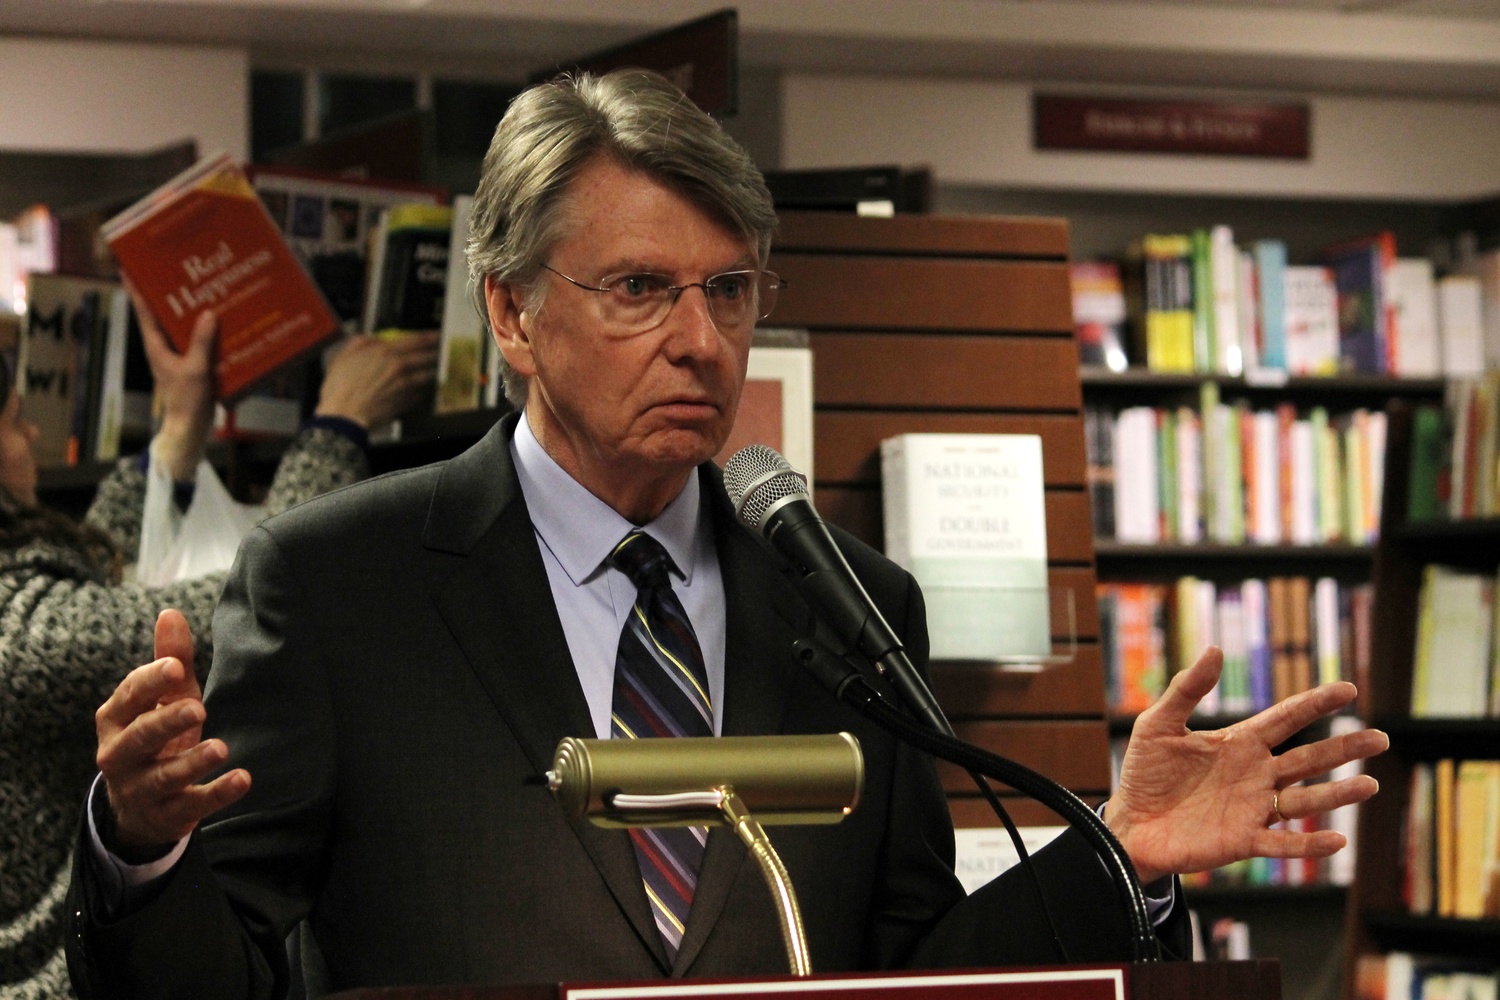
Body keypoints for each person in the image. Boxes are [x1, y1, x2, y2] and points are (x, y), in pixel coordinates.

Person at [65, 69, 1387, 998]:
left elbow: (910, 974)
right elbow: (218, 974)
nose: (701, 340)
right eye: (642, 289)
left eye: (731, 290)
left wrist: (1118, 851)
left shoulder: (851, 602)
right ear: (512, 313)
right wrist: (140, 847)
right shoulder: (337, 584)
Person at [0, 287, 437, 1000]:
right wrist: (337, 425)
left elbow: (88, 569)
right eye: (16, 422)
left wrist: (178, 431)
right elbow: (246, 602)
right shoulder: (19, 631)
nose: (32, 438)